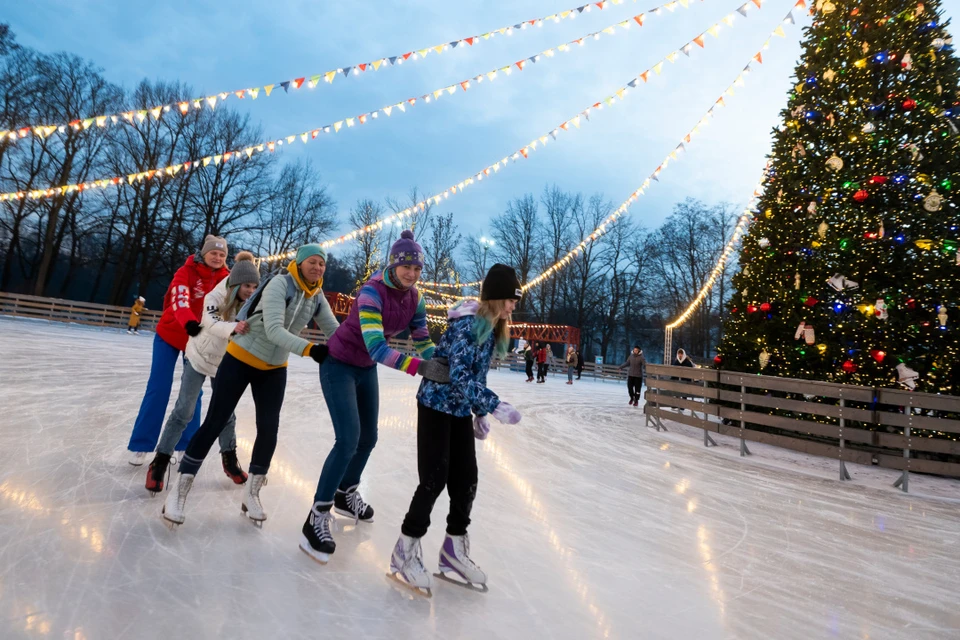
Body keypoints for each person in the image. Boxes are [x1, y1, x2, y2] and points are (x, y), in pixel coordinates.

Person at [162, 244, 339, 526]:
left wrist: (359, 348)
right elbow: (273, 329)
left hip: (274, 367)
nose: (317, 268)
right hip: (241, 358)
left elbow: (335, 331)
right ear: (300, 263)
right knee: (215, 421)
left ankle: (252, 494)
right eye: (312, 262)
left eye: (322, 264)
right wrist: (310, 349)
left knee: (269, 429)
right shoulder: (281, 284)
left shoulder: (316, 297)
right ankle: (179, 491)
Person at [299, 230, 449, 564]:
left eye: (417, 269)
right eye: (405, 266)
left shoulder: (416, 298)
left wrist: (441, 359)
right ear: (393, 265)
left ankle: (345, 492)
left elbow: (422, 339)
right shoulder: (371, 293)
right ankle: (316, 516)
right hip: (339, 364)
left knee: (369, 437)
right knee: (348, 439)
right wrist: (422, 369)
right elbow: (378, 348)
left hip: (365, 369)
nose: (411, 273)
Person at [388, 264, 523, 594]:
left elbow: (477, 378)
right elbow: (461, 378)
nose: (513, 306)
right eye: (510, 299)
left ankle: (453, 551)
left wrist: (479, 411)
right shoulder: (467, 325)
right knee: (434, 479)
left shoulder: (491, 329)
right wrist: (494, 405)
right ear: (495, 297)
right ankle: (403, 553)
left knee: (466, 480)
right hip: (436, 403)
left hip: (460, 408)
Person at [144, 251, 260, 494]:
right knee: (184, 410)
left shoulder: (252, 302)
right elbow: (211, 323)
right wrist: (234, 327)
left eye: (254, 286)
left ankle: (229, 459)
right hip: (198, 357)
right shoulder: (214, 295)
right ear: (236, 283)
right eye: (247, 285)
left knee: (227, 413)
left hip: (225, 362)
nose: (251, 290)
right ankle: (160, 461)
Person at [126, 235, 230, 466]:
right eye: (213, 252)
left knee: (193, 394)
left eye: (222, 254)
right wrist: (189, 324)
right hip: (171, 334)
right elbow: (180, 300)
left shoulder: (227, 279)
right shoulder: (186, 272)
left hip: (199, 342)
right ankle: (142, 445)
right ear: (204, 253)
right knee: (158, 388)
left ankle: (185, 444)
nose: (217, 257)